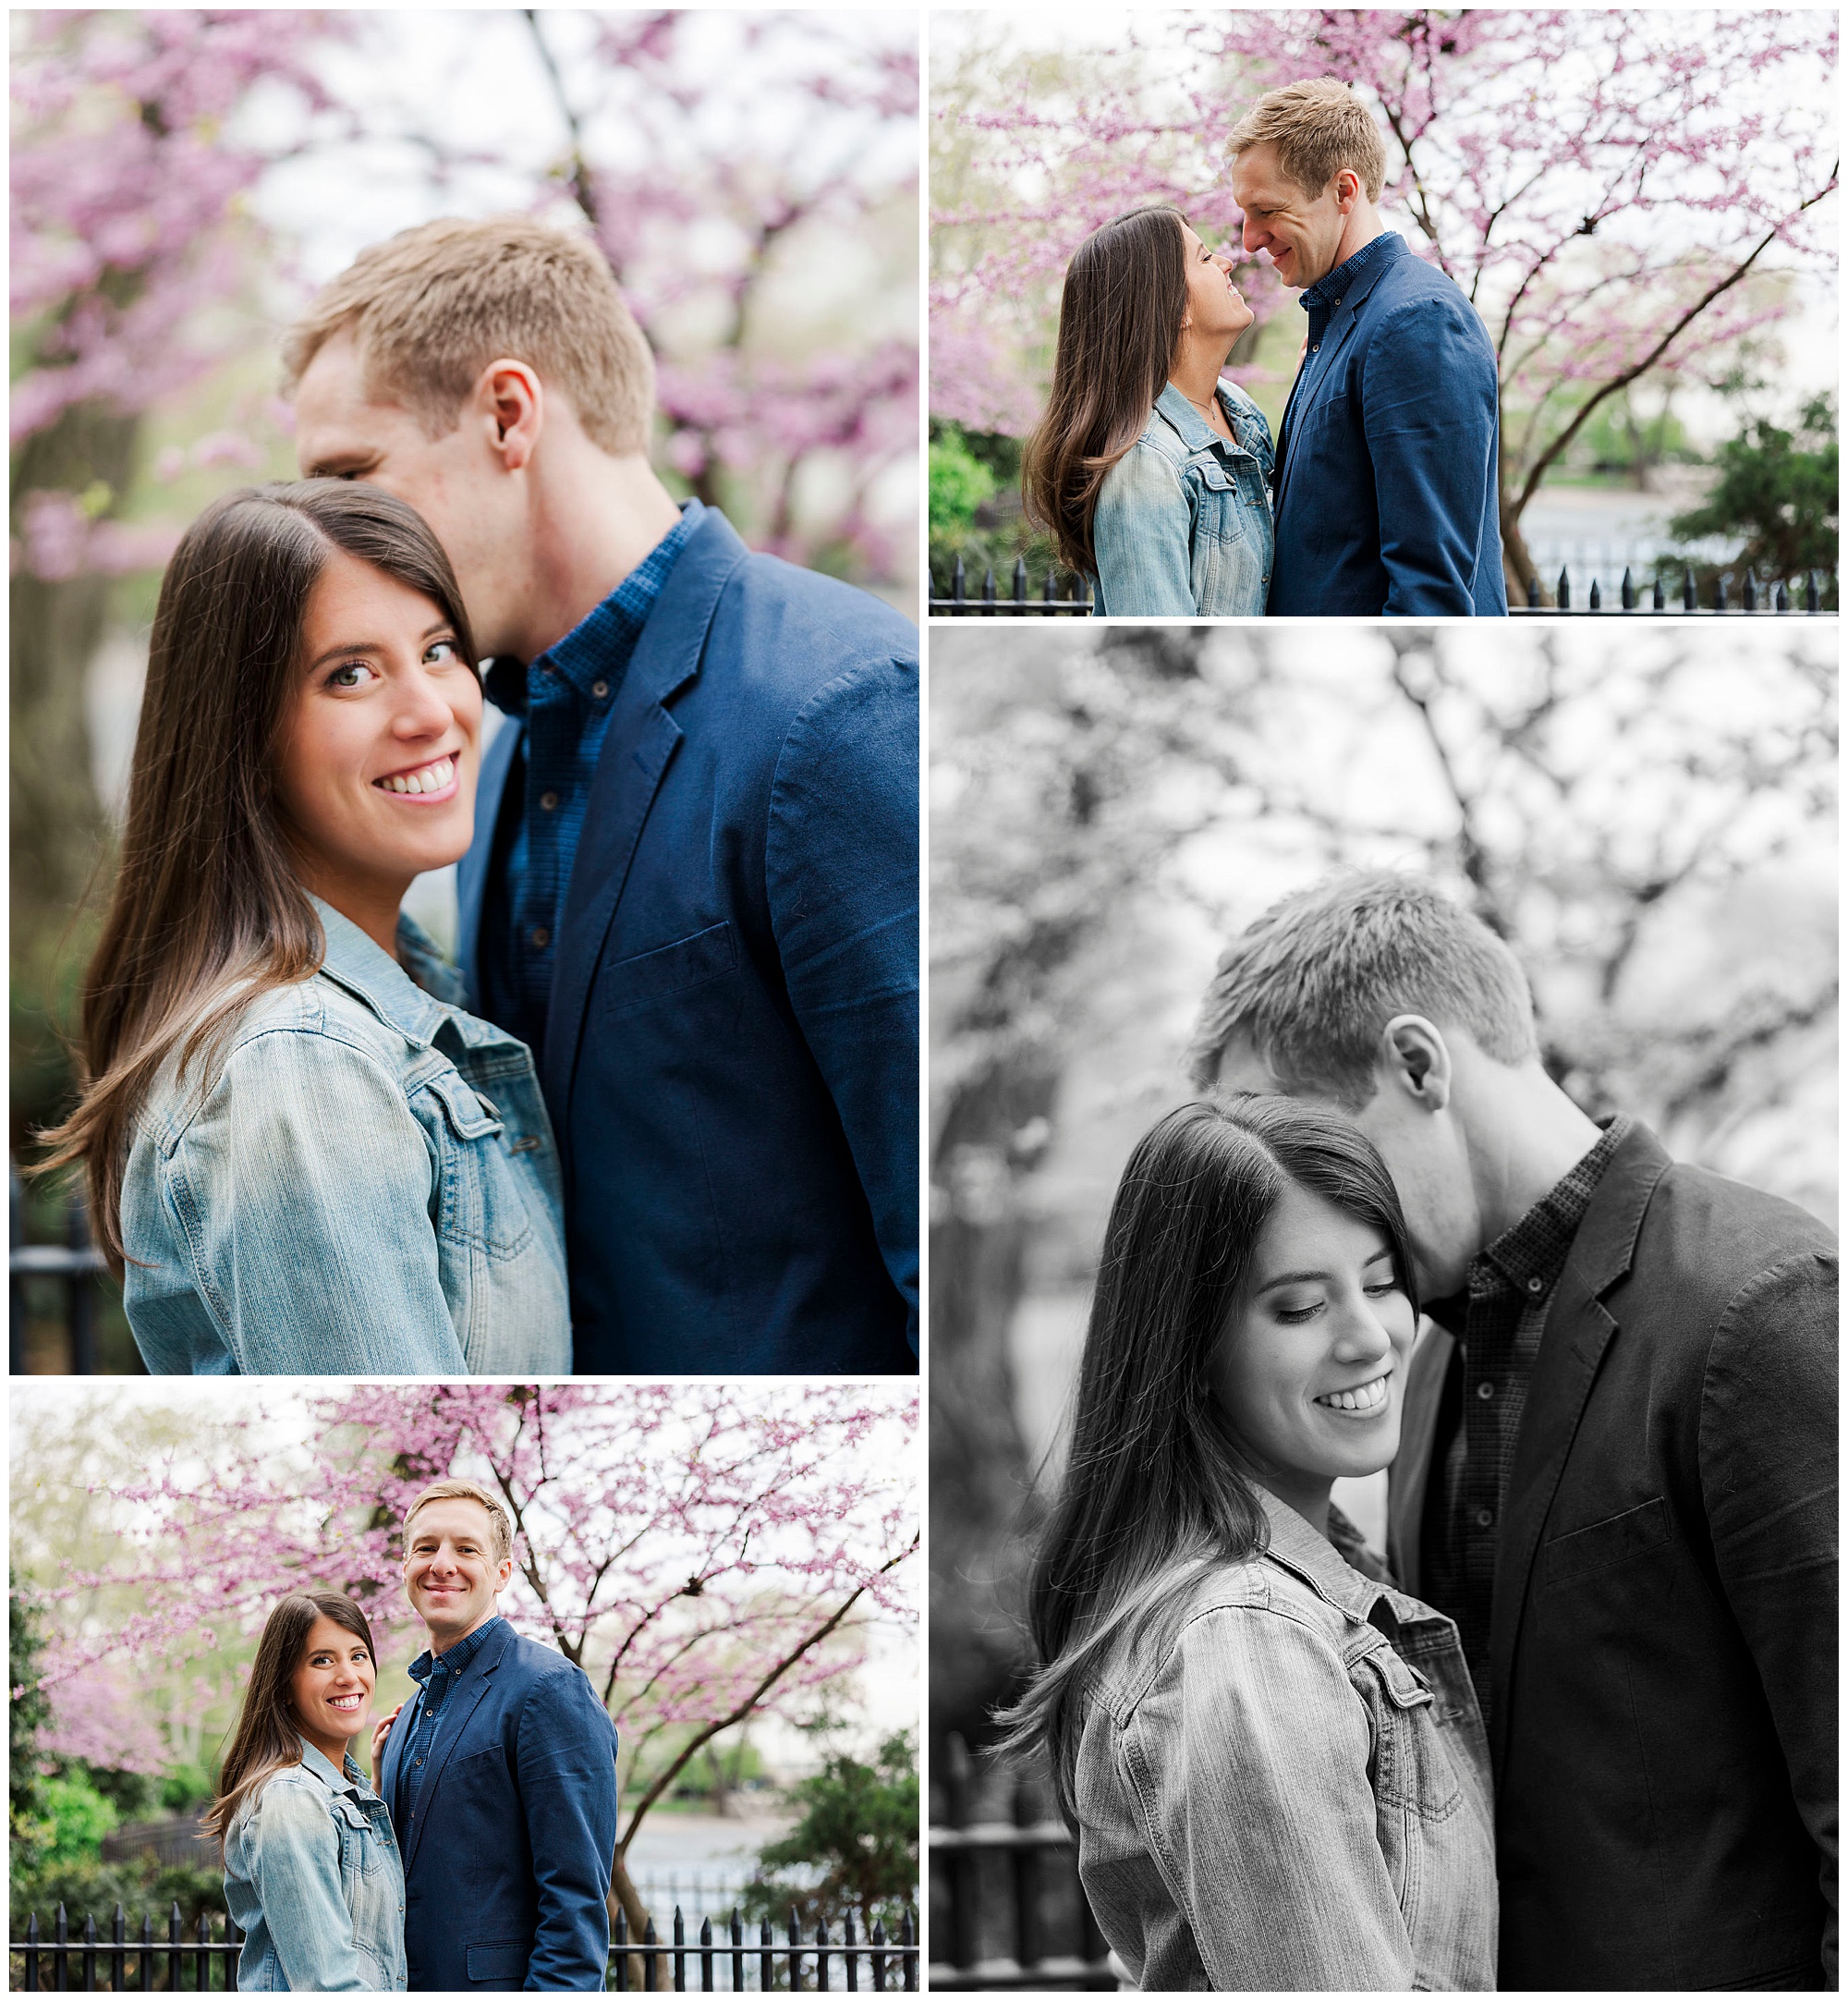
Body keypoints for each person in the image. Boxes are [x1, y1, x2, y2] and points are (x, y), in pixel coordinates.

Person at [286, 215, 918, 1374]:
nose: (330, 534)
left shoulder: (833, 704)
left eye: (350, 476)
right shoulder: (496, 742)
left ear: (508, 414)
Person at [1190, 871, 1837, 1990]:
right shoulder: (1418, 1360)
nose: (1301, 1196)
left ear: (1416, 1062)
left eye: (1311, 1140)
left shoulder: (1759, 1298)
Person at [36, 482, 570, 1374]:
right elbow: (388, 1459)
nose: (431, 711)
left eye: (440, 650)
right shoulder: (299, 1064)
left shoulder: (410, 990)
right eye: (349, 673)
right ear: (242, 736)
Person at [1000, 1095, 1496, 1991]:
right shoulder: (1246, 1641)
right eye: (1298, 1306)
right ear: (1187, 1346)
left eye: (1380, 1281)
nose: (1367, 1336)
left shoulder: (1307, 1585)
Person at [1227, 79, 1507, 616]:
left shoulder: (1414, 321)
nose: (1249, 239)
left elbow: (1432, 594)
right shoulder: (1342, 320)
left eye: (1266, 210)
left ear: (1344, 191)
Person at [374, 1480, 619, 1992]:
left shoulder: (548, 1690)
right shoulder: (412, 1710)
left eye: (466, 1549)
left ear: (502, 1572)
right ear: (405, 1569)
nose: (442, 1564)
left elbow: (575, 1903)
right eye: (426, 1547)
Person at [1023, 206, 1275, 616]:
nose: (1228, 262)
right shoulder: (1145, 466)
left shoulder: (1241, 411)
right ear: (1176, 309)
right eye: (1206, 258)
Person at [207, 1590, 406, 1993]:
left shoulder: (334, 1792)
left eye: (358, 1655)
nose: (348, 1675)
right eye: (322, 1660)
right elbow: (326, 1986)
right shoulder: (290, 1799)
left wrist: (375, 1785)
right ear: (283, 1685)